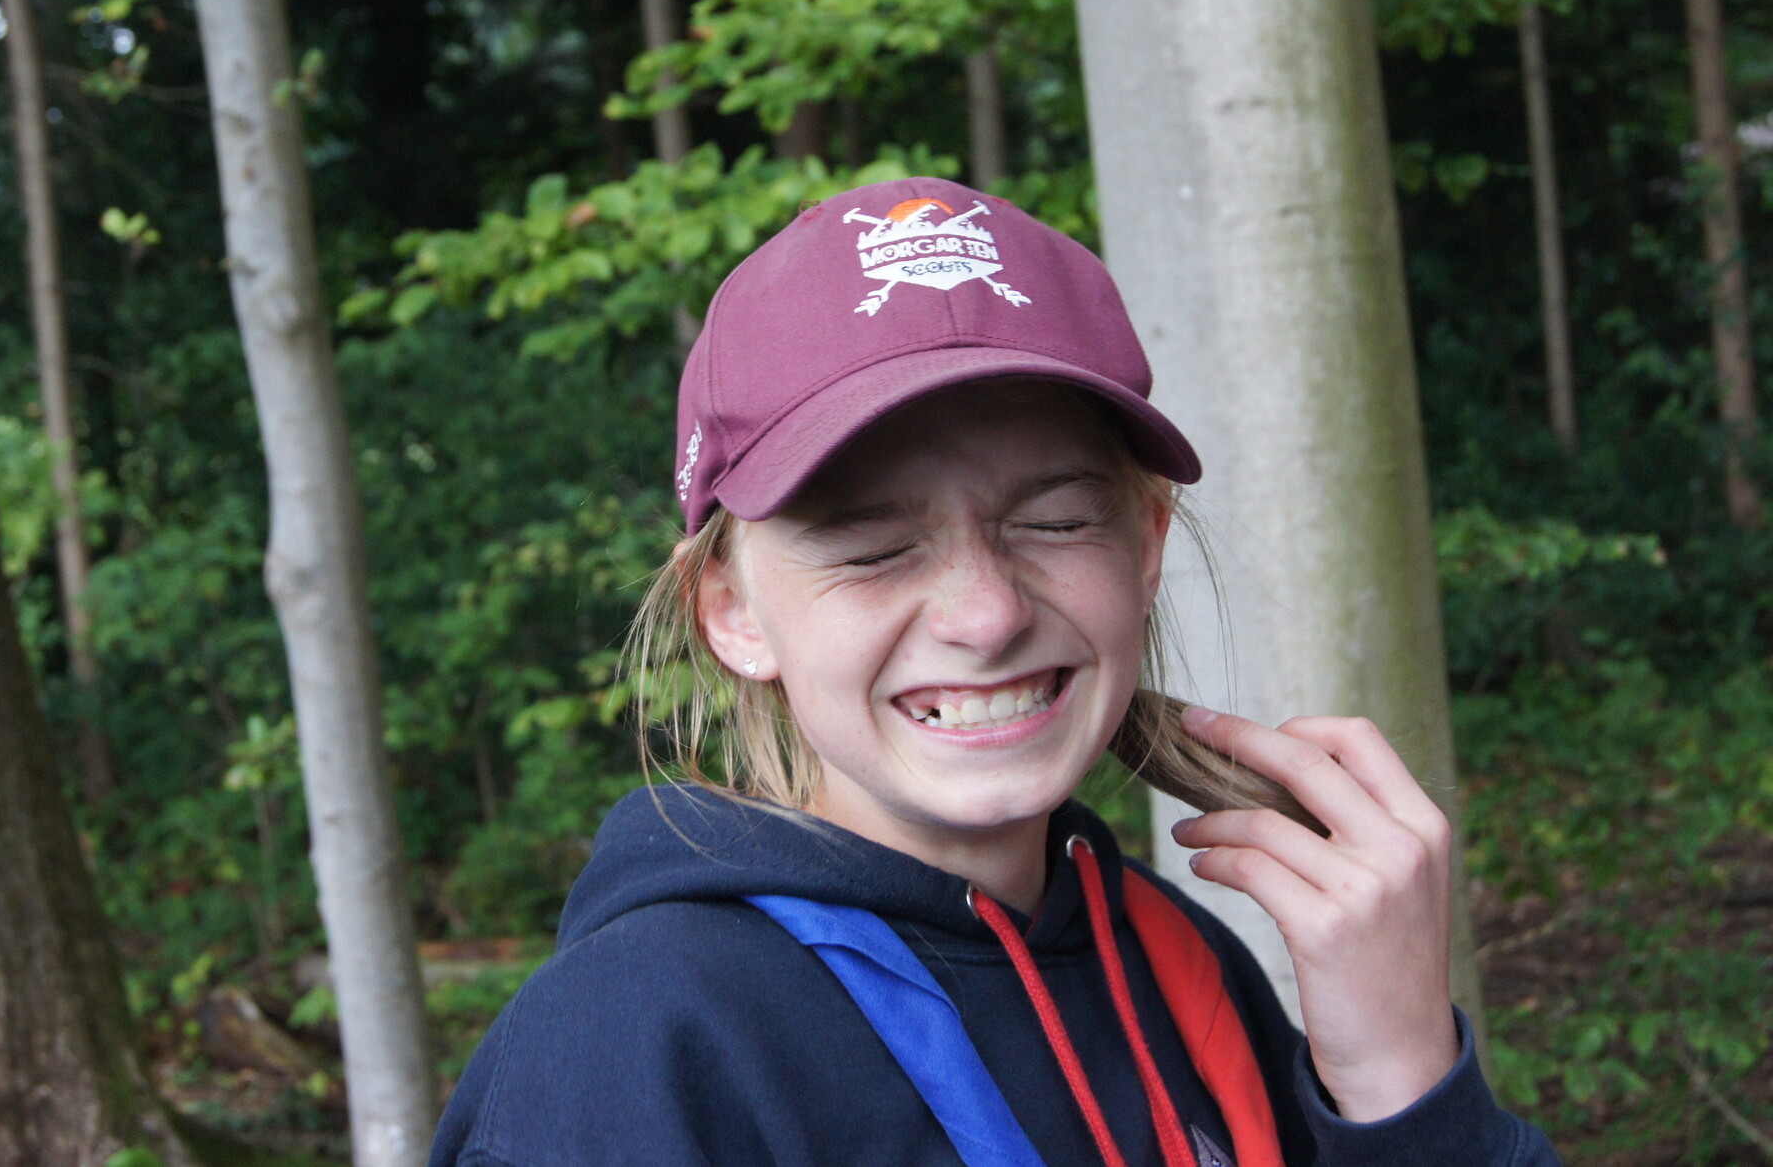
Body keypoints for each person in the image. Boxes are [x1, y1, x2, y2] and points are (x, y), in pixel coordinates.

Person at [426, 179, 1559, 1167]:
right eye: (873, 547)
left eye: (1056, 520)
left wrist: (1402, 1081)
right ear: (729, 611)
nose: (986, 614)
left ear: (1145, 544)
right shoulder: (628, 1053)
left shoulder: (1182, 968)